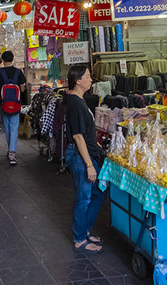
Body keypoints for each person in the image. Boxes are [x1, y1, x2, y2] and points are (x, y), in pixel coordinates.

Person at [64, 65, 106, 254]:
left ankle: (84, 230)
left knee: (97, 193)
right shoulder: (75, 103)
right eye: (87, 76)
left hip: (87, 154)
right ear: (78, 81)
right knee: (84, 197)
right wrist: (89, 165)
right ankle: (79, 238)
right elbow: (78, 137)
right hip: (81, 157)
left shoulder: (79, 100)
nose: (91, 79)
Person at [0, 50, 26, 166]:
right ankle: (12, 153)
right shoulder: (18, 72)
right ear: (12, 59)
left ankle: (10, 150)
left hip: (4, 104)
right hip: (16, 104)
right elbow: (22, 89)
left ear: (2, 60)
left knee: (7, 127)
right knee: (14, 127)